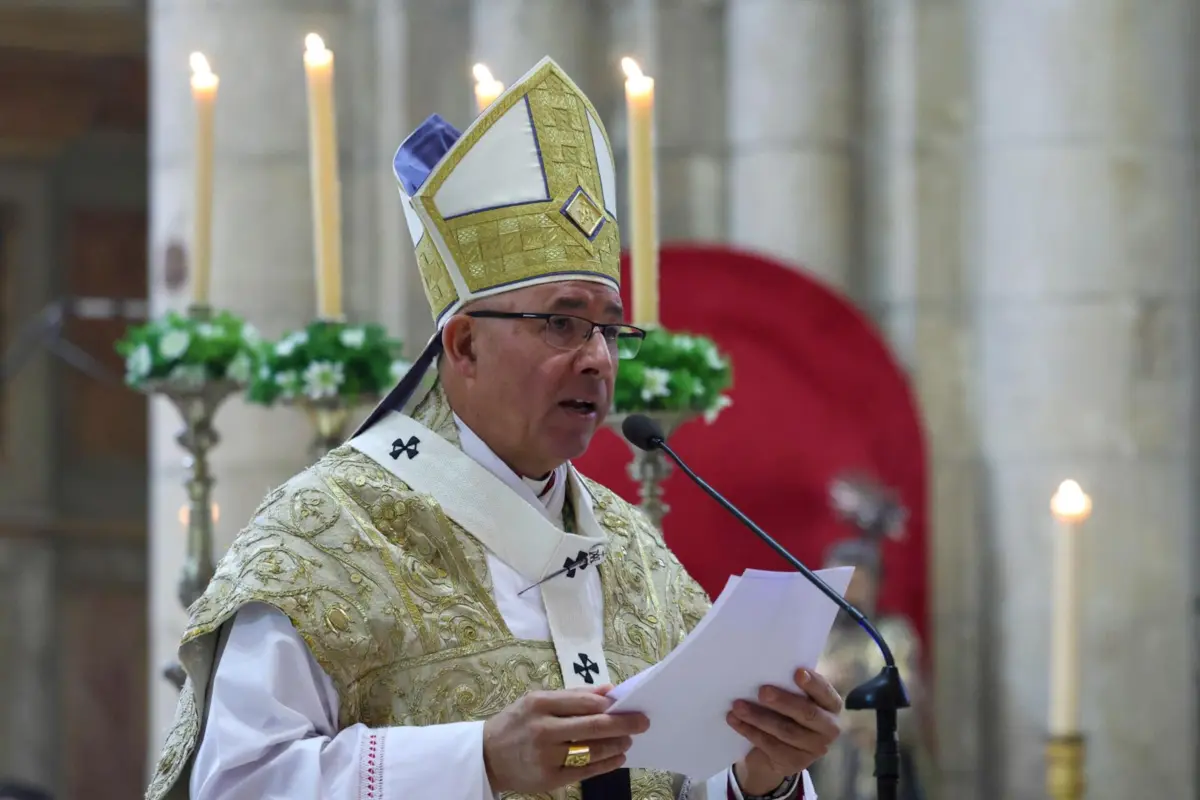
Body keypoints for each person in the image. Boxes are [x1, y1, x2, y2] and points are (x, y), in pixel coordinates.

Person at [145, 57, 842, 800]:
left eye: (610, 331)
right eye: (564, 323)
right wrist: (475, 760)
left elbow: (673, 784)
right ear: (465, 346)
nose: (599, 359)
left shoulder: (636, 555)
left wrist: (760, 779)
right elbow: (237, 784)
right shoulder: (324, 538)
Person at [809, 535, 933, 800]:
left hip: (876, 773)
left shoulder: (893, 637)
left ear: (874, 585)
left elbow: (906, 706)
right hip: (820, 772)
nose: (846, 593)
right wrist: (817, 679)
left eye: (856, 583)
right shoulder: (810, 637)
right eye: (838, 583)